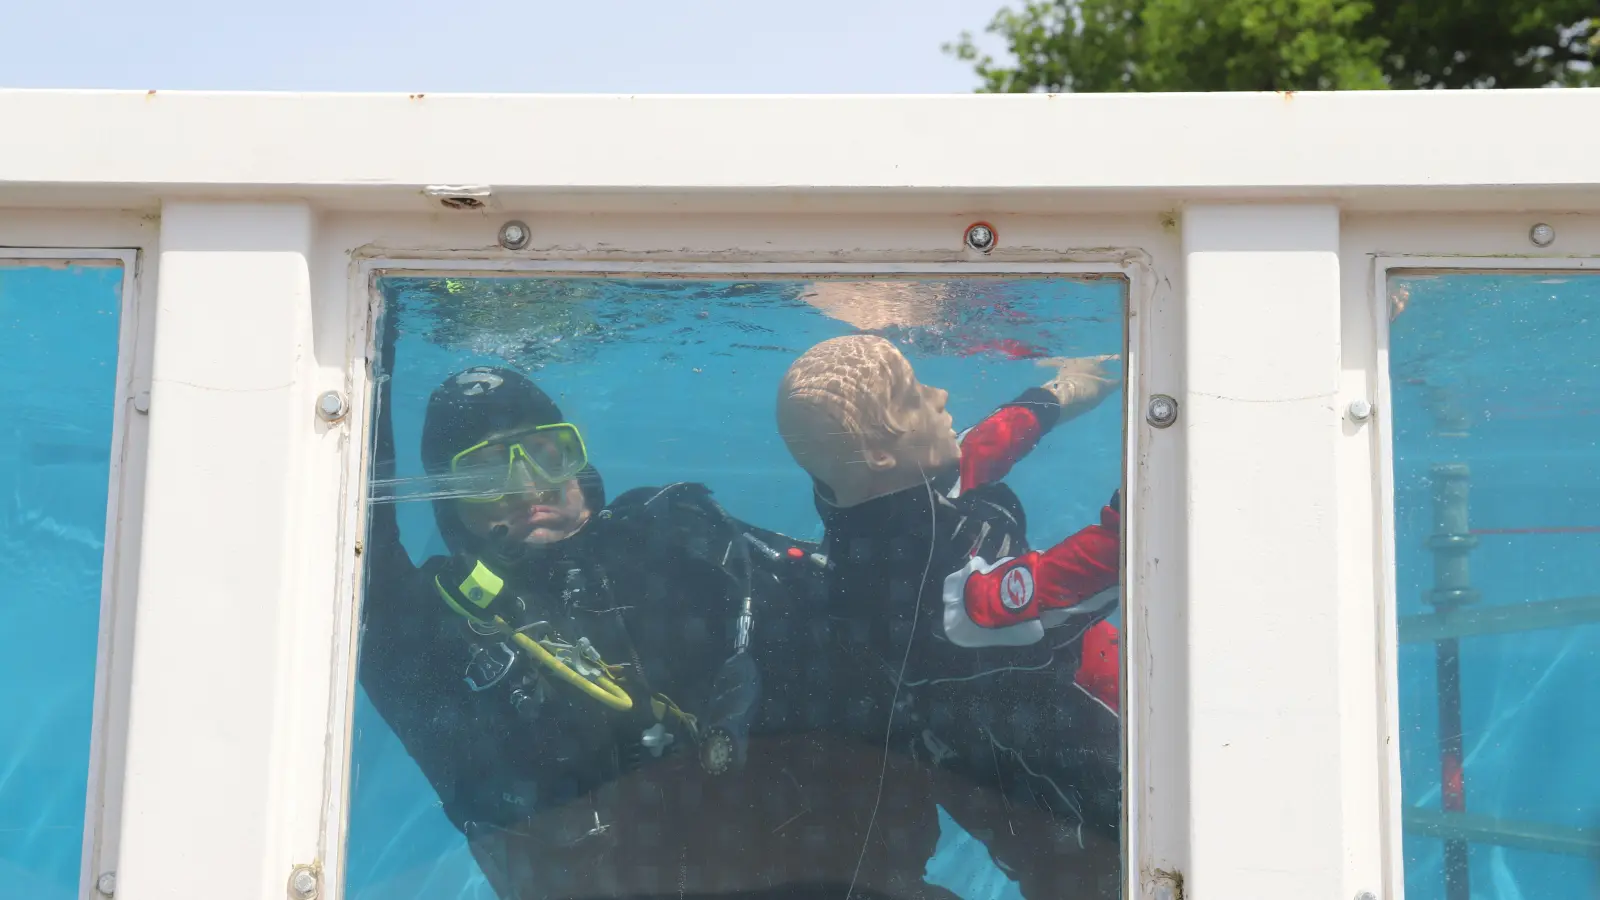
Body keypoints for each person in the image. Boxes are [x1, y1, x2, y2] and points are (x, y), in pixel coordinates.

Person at [358, 355, 830, 899]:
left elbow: (853, 603)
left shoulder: (682, 541)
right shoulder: (431, 631)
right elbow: (347, 511)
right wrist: (370, 333)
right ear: (449, 503)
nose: (528, 485)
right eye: (486, 473)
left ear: (580, 469)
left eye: (546, 454)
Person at [764, 333, 1126, 899]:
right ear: (883, 453)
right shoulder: (946, 606)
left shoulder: (880, 493)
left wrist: (1059, 392)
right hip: (1093, 817)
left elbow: (979, 449)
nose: (939, 394)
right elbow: (1107, 559)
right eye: (913, 396)